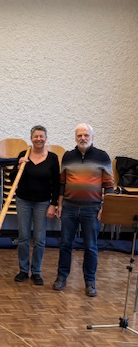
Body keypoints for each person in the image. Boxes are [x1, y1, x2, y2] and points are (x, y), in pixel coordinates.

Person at [53, 123, 114, 297]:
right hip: (69, 208)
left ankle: (90, 282)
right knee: (65, 244)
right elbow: (62, 183)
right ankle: (61, 277)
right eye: (79, 135)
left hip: (92, 209)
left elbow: (109, 185)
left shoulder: (102, 156)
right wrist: (59, 204)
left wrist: (105, 207)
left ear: (92, 137)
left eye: (86, 135)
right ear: (75, 138)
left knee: (91, 247)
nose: (83, 138)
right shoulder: (68, 156)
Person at [9, 125, 60, 286]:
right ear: (31, 138)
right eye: (36, 136)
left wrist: (53, 204)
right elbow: (12, 178)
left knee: (39, 239)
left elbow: (57, 183)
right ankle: (23, 270)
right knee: (23, 237)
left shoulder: (52, 158)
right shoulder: (23, 155)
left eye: (41, 136)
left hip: (42, 203)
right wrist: (18, 166)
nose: (39, 139)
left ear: (46, 138)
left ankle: (36, 271)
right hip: (23, 200)